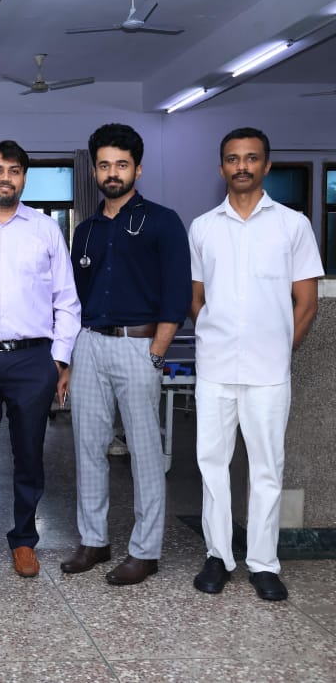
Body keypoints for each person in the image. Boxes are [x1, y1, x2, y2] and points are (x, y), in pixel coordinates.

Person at [188, 128, 322, 601]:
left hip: (268, 373)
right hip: (215, 369)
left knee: (267, 468)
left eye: (251, 158)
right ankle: (218, 556)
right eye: (232, 158)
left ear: (266, 165)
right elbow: (196, 297)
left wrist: (279, 349)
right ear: (221, 167)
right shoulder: (203, 228)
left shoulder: (293, 225)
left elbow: (307, 302)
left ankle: (264, 563)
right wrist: (214, 335)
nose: (241, 166)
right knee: (212, 465)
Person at [63, 123, 192, 585]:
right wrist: (71, 356)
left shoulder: (162, 221)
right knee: (88, 448)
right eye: (104, 165)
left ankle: (145, 551)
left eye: (121, 164)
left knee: (144, 451)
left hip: (140, 346)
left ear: (137, 169)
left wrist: (157, 352)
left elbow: (177, 292)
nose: (112, 173)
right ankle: (94, 541)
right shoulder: (86, 231)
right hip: (90, 345)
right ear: (94, 171)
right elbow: (74, 298)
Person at [0, 141, 81, 578]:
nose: (4, 178)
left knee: (29, 454)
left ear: (24, 178)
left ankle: (25, 539)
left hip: (32, 361)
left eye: (13, 170)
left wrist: (58, 360)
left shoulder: (46, 230)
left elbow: (67, 300)